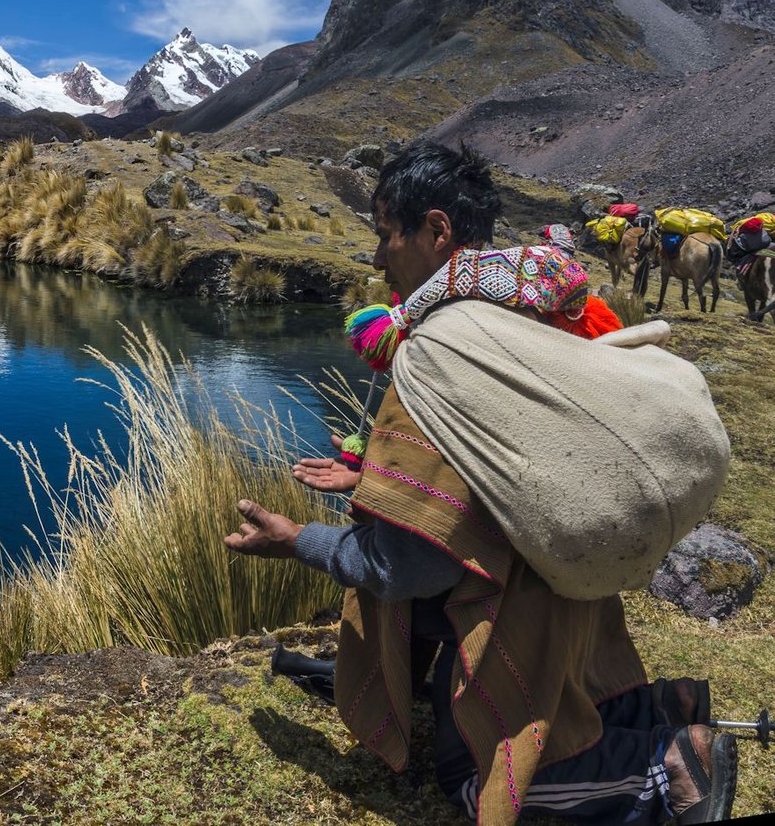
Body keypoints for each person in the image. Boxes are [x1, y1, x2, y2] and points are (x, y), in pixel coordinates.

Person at [224, 142, 736, 824]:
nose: (378, 260)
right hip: (578, 597)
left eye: (386, 237)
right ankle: (651, 706)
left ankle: (664, 768)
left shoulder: (436, 353)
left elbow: (411, 566)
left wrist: (299, 541)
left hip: (515, 614)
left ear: (436, 230)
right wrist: (378, 476)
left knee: (471, 779)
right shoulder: (531, 310)